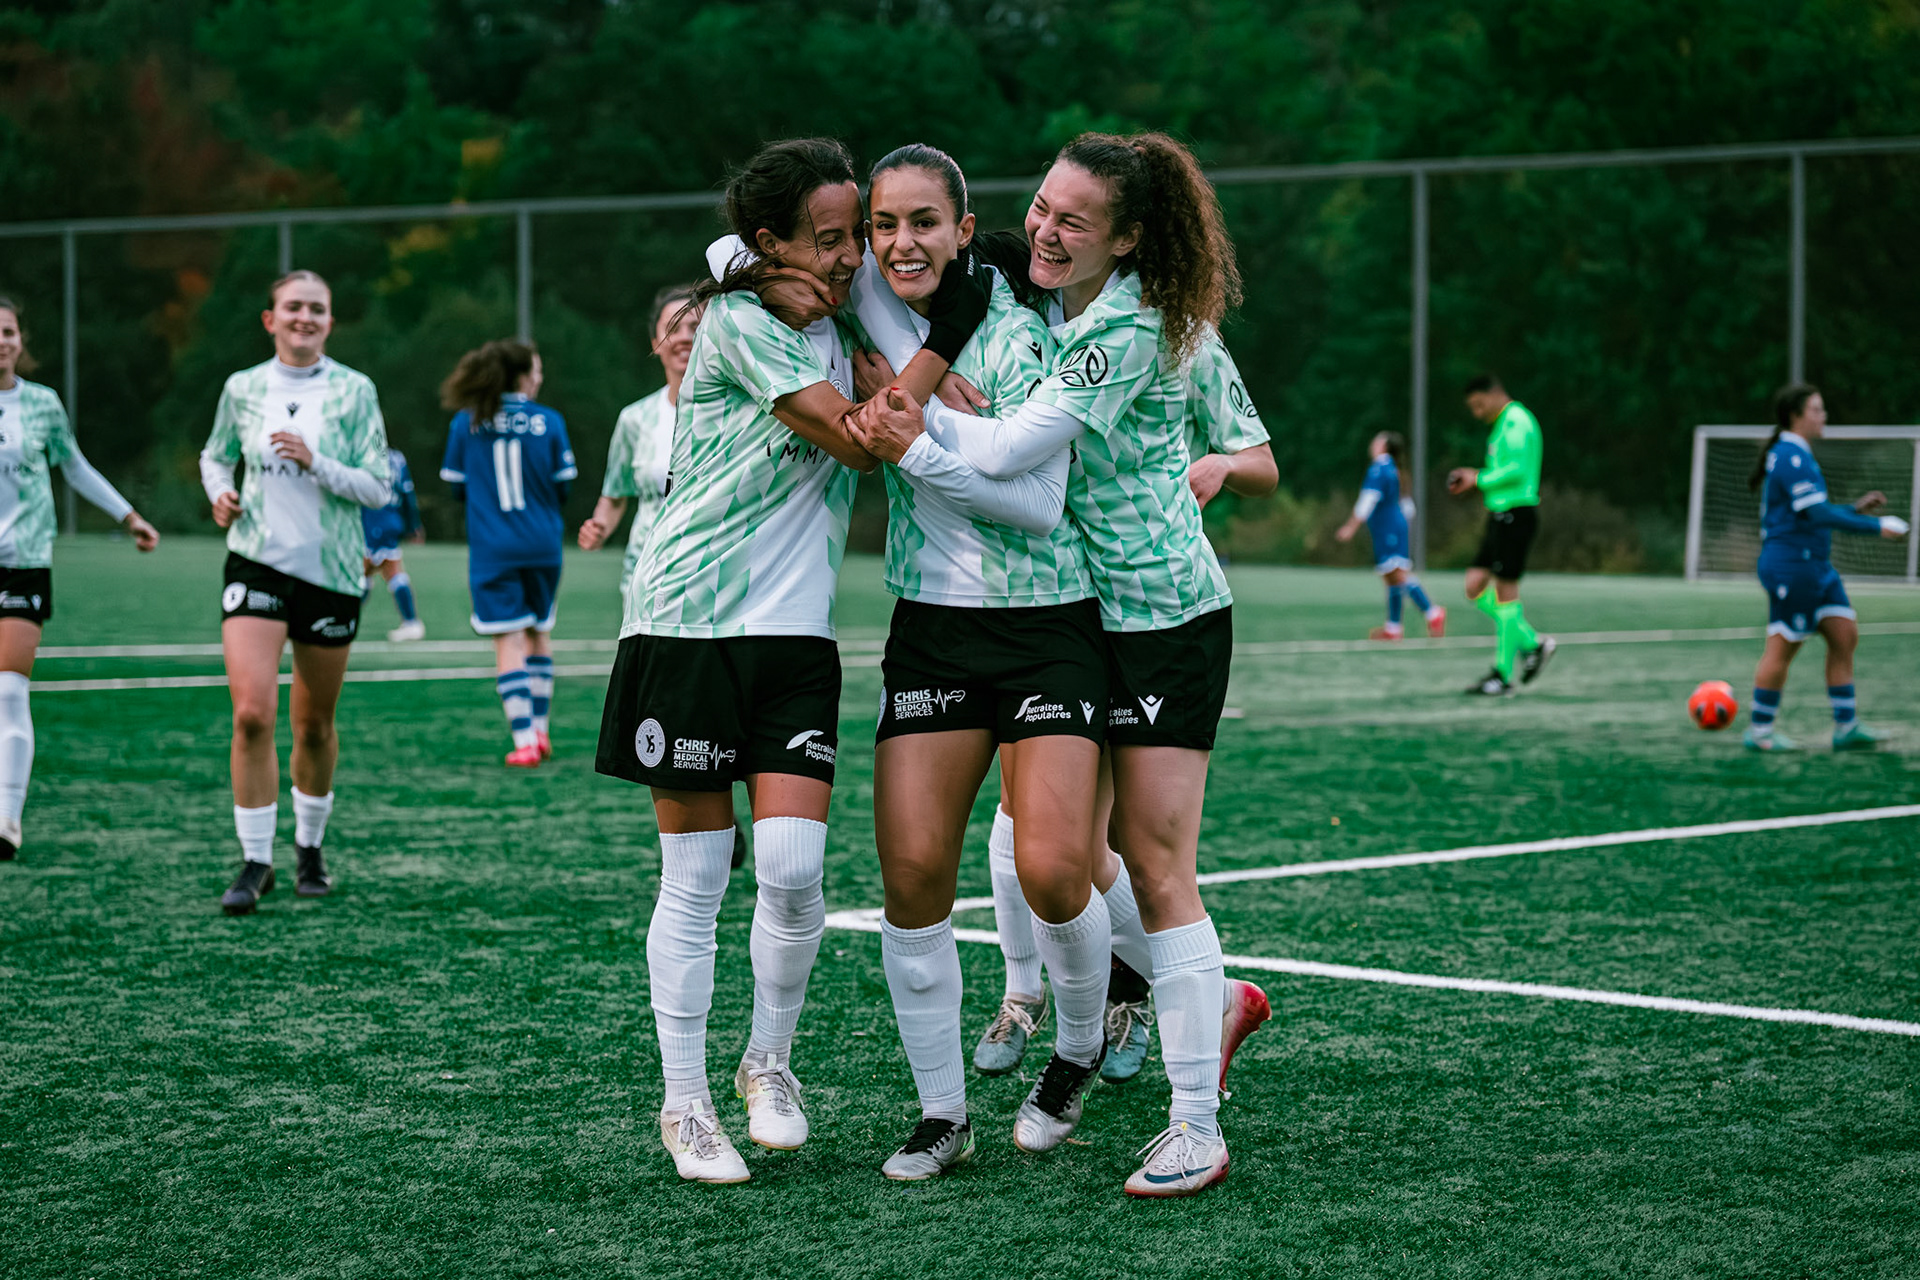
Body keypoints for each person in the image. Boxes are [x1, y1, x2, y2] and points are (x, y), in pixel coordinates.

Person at [852, 132, 1266, 1197]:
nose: (1045, 227)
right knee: (1071, 865)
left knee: (1159, 863)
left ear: (1127, 238)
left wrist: (916, 422)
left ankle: (1194, 1123)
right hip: (1092, 617)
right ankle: (1154, 1014)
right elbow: (949, 264)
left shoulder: (1127, 326)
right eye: (1041, 206)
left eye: (1074, 220)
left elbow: (1009, 458)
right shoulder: (1049, 301)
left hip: (1163, 617)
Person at [595, 138, 959, 1185]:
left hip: (795, 637)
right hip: (685, 629)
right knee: (699, 874)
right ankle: (684, 1102)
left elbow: (773, 265)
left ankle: (769, 1061)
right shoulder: (744, 322)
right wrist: (929, 359)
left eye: (857, 235)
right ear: (772, 243)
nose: (854, 256)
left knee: (798, 871)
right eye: (833, 238)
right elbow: (857, 440)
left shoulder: (824, 306)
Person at [833, 144, 1106, 1180]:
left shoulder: (1026, 329)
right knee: (911, 879)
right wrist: (928, 387)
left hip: (1048, 622)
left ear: (961, 228)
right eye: (884, 224)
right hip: (933, 627)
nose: (903, 242)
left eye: (922, 223)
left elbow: (1039, 506)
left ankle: (1076, 1044)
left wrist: (921, 436)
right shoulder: (859, 299)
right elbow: (735, 245)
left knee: (1050, 866)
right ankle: (942, 1111)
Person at [199, 270, 392, 914]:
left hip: (333, 574)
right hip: (255, 563)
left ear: (330, 322)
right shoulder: (242, 387)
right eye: (293, 307)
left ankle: (309, 848)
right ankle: (256, 861)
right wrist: (219, 492)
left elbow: (377, 488)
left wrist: (317, 463)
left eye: (317, 308)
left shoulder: (356, 390)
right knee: (252, 712)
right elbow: (213, 455)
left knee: (313, 724)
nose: (304, 317)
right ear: (270, 319)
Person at [0, 296, 160, 860]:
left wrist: (129, 516)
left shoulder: (42, 405)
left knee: (8, 690)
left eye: (9, 331)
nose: (1, 341)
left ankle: (7, 819)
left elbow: (76, 467)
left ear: (22, 341)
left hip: (22, 563)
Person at [1744, 383, 1905, 751]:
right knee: (1783, 647)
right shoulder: (1790, 456)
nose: (1824, 415)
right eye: (1816, 409)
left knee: (1843, 633)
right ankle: (1760, 732)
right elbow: (1815, 514)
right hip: (1791, 567)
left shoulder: (1798, 454)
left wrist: (1854, 508)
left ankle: (1846, 727)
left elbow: (1813, 512)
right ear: (1796, 416)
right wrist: (1877, 527)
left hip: (1815, 566)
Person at [440, 340, 576, 768]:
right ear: (521, 375)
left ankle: (524, 741)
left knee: (509, 638)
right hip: (543, 545)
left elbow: (457, 487)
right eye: (536, 369)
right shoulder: (550, 421)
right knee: (538, 632)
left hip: (493, 548)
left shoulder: (466, 423)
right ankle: (541, 730)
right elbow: (564, 487)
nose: (540, 377)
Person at [579, 284, 701, 606]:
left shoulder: (739, 415)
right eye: (673, 328)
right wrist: (599, 528)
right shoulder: (635, 419)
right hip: (645, 578)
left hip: (711, 581)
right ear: (656, 343)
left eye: (696, 327)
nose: (684, 337)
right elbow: (615, 495)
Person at [1449, 374, 1552, 695]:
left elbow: (1518, 470)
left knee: (1507, 593)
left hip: (1516, 515)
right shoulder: (1503, 423)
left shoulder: (1516, 421)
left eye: (1479, 405)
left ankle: (1501, 676)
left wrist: (1476, 478)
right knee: (1474, 586)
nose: (1477, 413)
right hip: (1499, 517)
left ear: (1493, 394)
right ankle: (1532, 643)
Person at [1336, 431, 1445, 640]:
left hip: (1389, 529)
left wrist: (1350, 527)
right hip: (1391, 527)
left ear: (1383, 446)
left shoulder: (1380, 468)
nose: (1372, 443)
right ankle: (1394, 628)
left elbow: (1367, 500)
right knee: (1391, 577)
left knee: (1397, 574)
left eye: (1376, 440)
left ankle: (1433, 613)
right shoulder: (1393, 469)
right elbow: (1408, 508)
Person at [362, 446, 425, 641]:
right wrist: (413, 524)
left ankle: (344, 621)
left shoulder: (363, 456)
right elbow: (408, 493)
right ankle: (411, 622)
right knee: (387, 572)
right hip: (391, 520)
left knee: (360, 573)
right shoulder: (397, 458)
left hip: (372, 520)